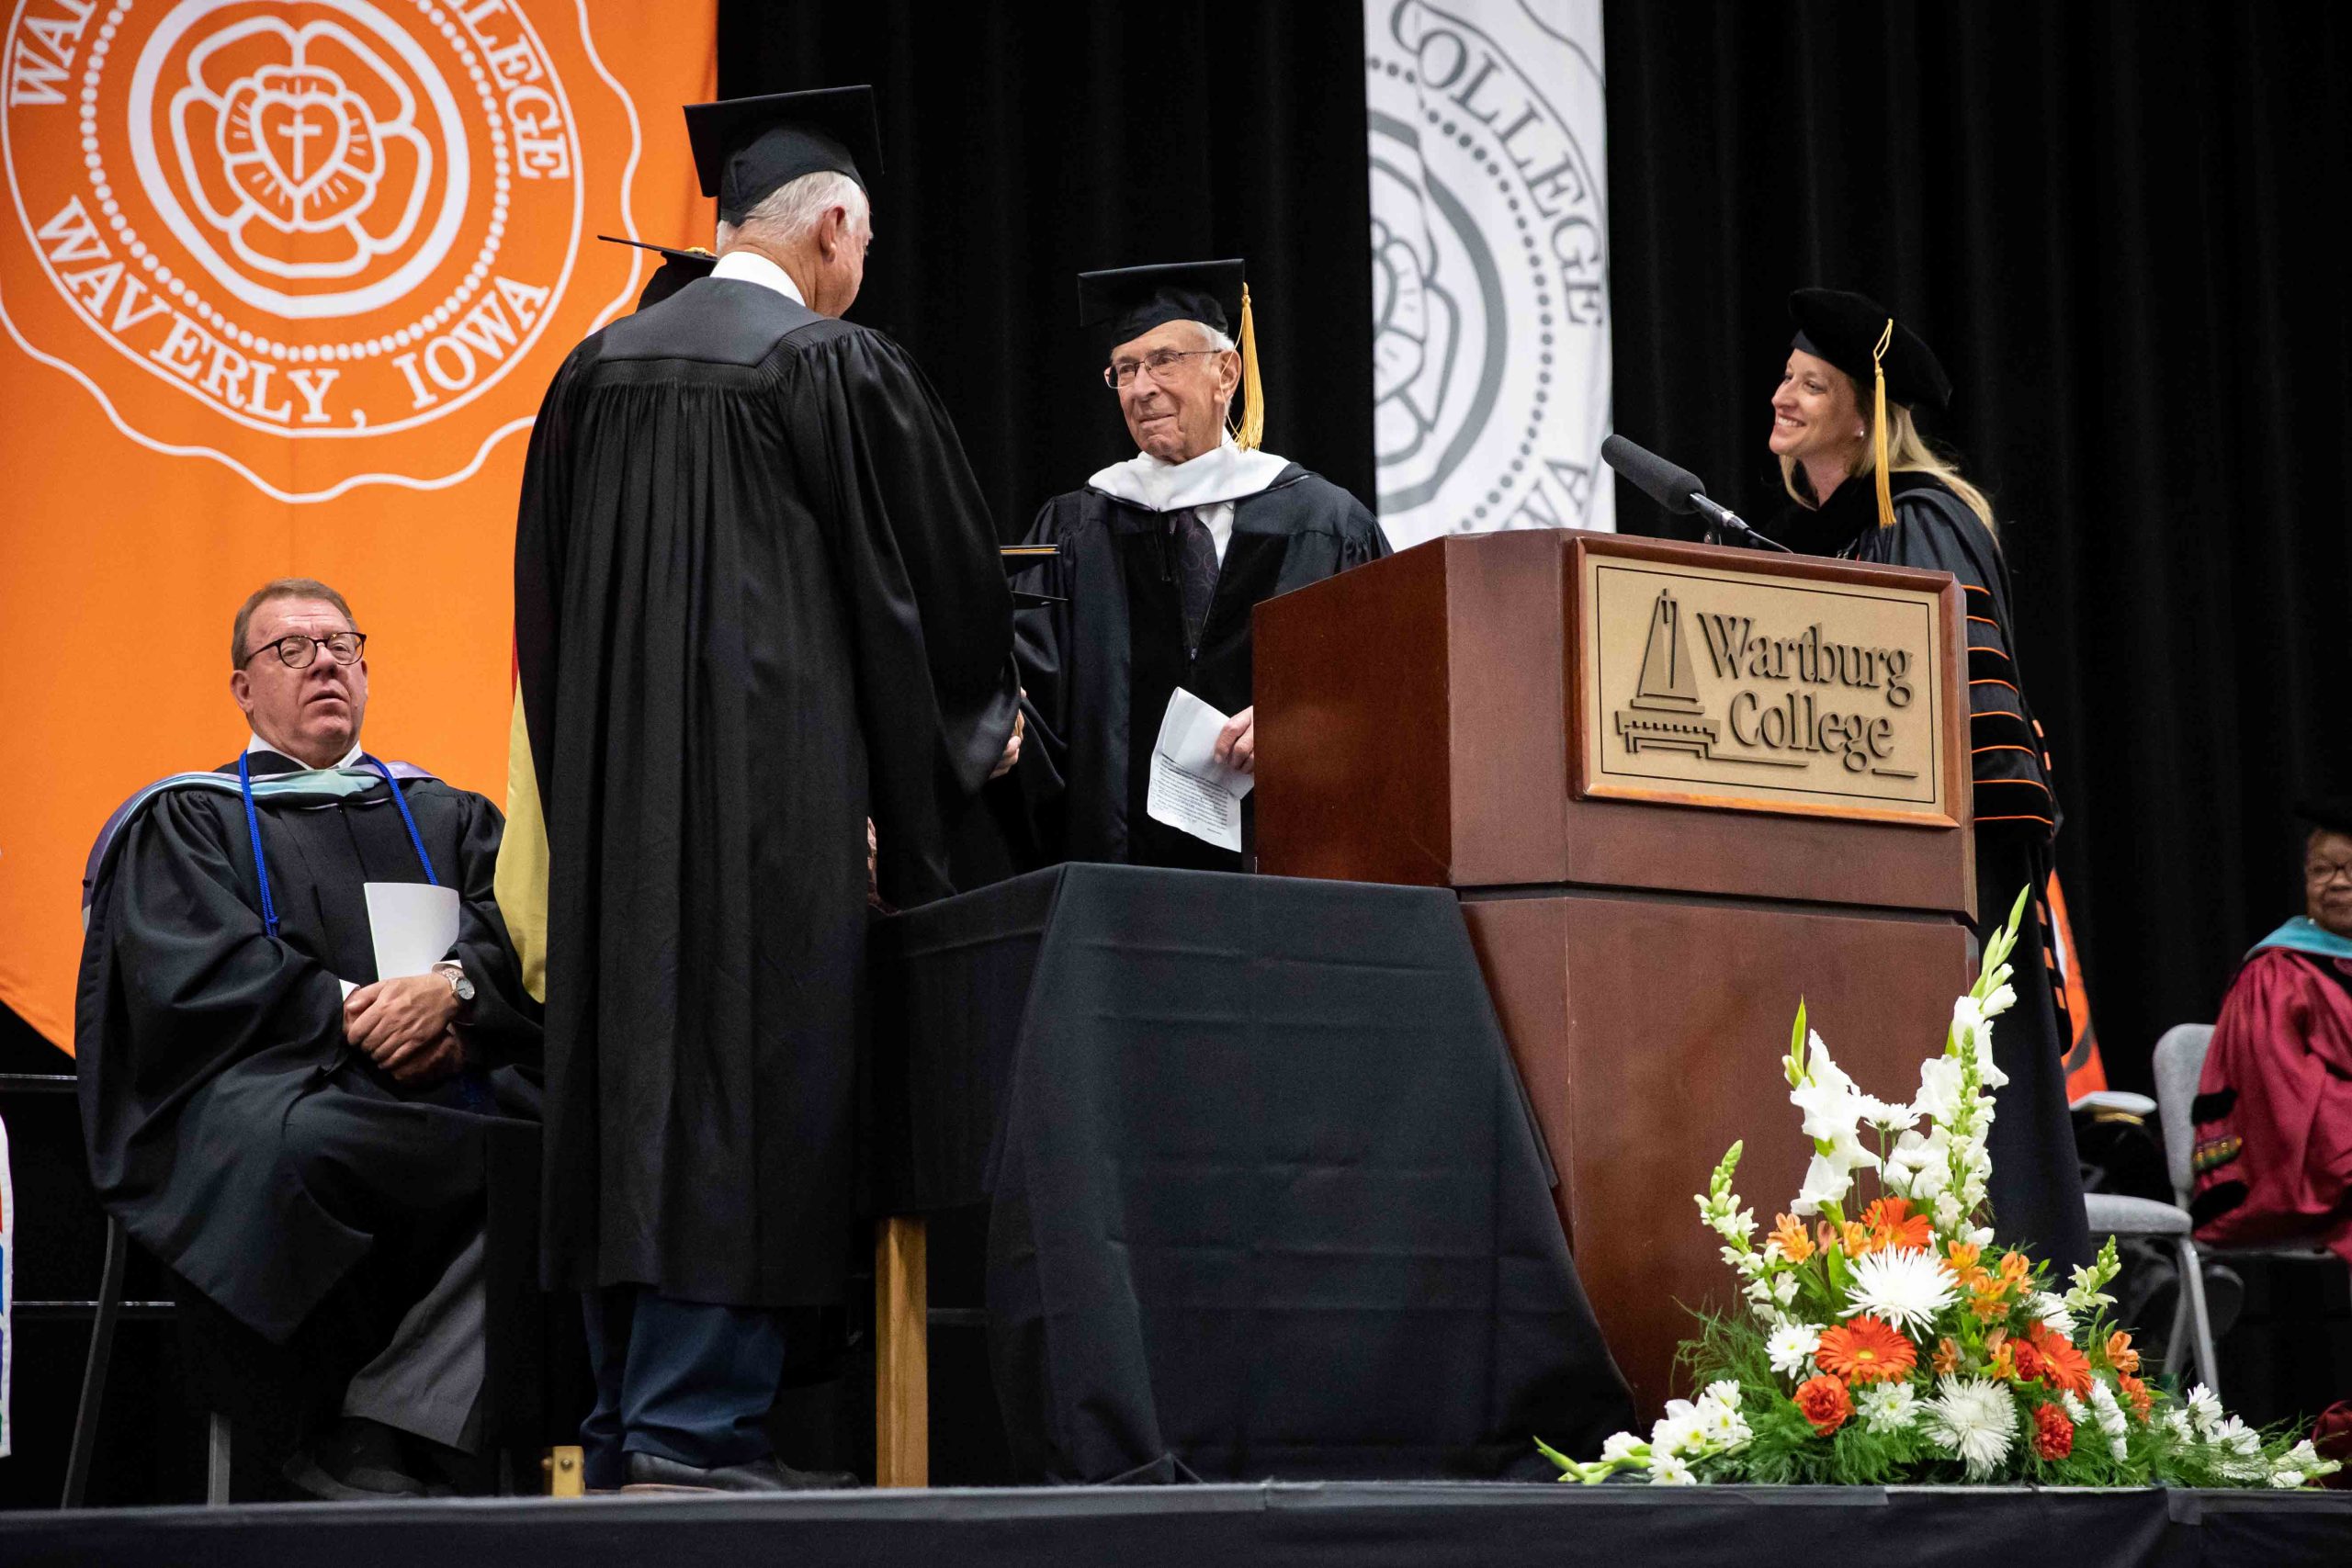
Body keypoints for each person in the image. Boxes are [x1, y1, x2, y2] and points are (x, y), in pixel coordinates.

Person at [505, 85, 1020, 1494]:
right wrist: (964, 746)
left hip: (616, 815)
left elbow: (538, 618)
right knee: (744, 1076)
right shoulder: (828, 364)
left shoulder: (589, 373)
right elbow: (922, 602)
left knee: (629, 1081)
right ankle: (692, 1430)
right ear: (836, 227)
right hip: (770, 815)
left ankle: (624, 1417)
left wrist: (603, 782)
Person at [75, 579, 541, 1499]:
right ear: (244, 688)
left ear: (365, 668)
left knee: (567, 1157)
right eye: (289, 648)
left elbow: (522, 938)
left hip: (450, 1075)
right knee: (309, 1146)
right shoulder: (184, 819)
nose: (323, 661)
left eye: (341, 644)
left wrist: (454, 996)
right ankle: (305, 1430)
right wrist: (354, 1014)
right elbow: (189, 973)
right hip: (279, 1081)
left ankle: (390, 1419)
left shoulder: (452, 816)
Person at [1760, 287, 2091, 1270]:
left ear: (1864, 413)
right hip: (1886, 889)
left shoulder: (1922, 520)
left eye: (1810, 384)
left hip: (1943, 885)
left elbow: (1954, 712)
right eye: (1784, 376)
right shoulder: (1862, 532)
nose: (1781, 395)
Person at [1003, 259, 1388, 872]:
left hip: (1286, 877)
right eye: (1125, 369)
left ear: (1226, 372)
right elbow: (1027, 702)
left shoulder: (1325, 524)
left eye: (1163, 360)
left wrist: (1305, 722)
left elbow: (1387, 686)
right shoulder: (1076, 532)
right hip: (1118, 888)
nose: (1141, 387)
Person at [2190, 796, 2352, 1260]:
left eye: (2349, 869)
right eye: (2323, 870)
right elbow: (2278, 1090)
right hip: (2287, 1172)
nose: (2337, 882)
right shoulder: (2276, 971)